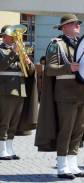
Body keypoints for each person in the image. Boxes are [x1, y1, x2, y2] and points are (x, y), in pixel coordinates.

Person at [35, 14, 84, 179]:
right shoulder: (56, 45)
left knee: (78, 131)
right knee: (66, 130)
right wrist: (69, 68)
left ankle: (73, 165)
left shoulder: (82, 44)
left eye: (77, 23)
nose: (77, 25)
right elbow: (50, 69)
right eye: (74, 23)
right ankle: (62, 167)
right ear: (64, 27)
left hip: (82, 92)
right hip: (65, 94)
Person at [0, 25, 38, 160]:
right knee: (4, 121)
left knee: (14, 122)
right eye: (12, 35)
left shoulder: (20, 50)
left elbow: (31, 71)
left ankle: (9, 147)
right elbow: (2, 66)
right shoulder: (1, 50)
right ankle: (1, 149)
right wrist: (14, 53)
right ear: (4, 36)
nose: (15, 37)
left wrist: (28, 62)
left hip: (19, 90)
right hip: (6, 90)